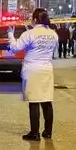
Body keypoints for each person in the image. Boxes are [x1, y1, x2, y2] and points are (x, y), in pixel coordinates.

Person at [7, 8, 57, 140]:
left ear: (35, 19)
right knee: (47, 101)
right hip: (46, 69)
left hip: (32, 70)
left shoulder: (29, 34)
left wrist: (11, 34)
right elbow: (54, 50)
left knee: (34, 101)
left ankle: (35, 133)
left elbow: (15, 48)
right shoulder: (53, 34)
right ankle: (48, 131)